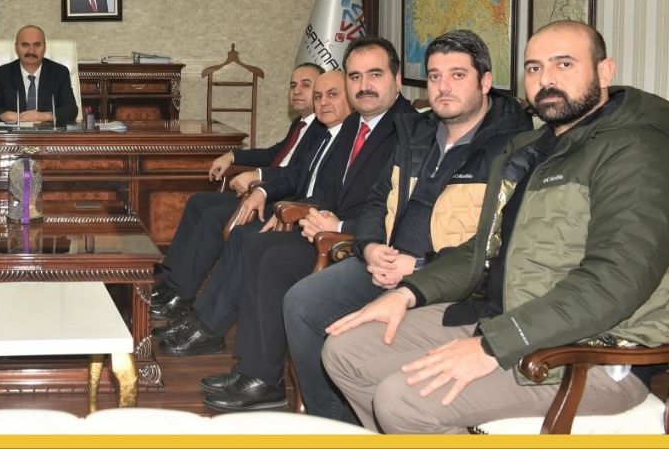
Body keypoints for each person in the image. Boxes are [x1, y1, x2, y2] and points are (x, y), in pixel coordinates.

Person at [321, 21, 669, 433]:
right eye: (534, 68)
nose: (546, 79)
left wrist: (492, 346)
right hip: (505, 315)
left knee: (402, 399)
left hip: (594, 350)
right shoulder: (536, 149)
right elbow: (486, 246)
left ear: (604, 72)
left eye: (564, 64)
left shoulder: (641, 153)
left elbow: (614, 282)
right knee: (344, 352)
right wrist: (408, 293)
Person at [205, 30, 530, 413]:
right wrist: (371, 245)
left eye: (457, 75)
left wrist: (415, 264)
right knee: (301, 300)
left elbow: (494, 243)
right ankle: (328, 417)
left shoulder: (511, 148)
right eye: (435, 76)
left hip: (443, 276)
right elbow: (378, 199)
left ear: (485, 81)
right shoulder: (418, 134)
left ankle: (327, 411)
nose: (444, 87)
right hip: (380, 256)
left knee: (283, 268)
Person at [162, 38, 412, 359]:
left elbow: (388, 206)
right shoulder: (347, 127)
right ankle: (222, 339)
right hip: (316, 218)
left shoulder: (408, 131)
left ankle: (232, 348)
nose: (363, 86)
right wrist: (292, 203)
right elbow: (308, 177)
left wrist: (321, 218)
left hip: (354, 241)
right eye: (355, 77)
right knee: (247, 238)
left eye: (374, 75)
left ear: (397, 79)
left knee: (257, 245)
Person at [151, 63, 326, 321]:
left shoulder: (323, 129)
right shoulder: (300, 124)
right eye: (293, 85)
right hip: (266, 190)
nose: (297, 91)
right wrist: (233, 155)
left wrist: (259, 176)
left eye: (306, 85)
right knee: (198, 202)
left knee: (213, 217)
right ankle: (172, 281)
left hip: (278, 199)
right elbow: (274, 154)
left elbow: (298, 174)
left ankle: (183, 295)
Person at [0, 24, 78, 125]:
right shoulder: (2, 74)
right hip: (14, 132)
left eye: (37, 45)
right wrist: (7, 115)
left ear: (44, 47)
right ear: (16, 47)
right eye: (25, 45)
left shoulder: (59, 72)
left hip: (48, 132)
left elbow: (71, 109)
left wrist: (44, 116)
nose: (31, 51)